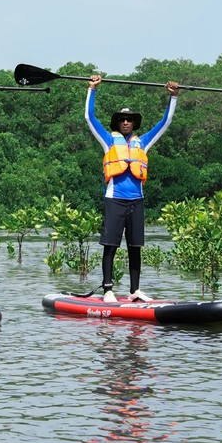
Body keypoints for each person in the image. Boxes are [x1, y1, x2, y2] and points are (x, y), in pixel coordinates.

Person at [86, 74, 179, 303]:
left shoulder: (144, 142)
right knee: (110, 245)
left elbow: (165, 123)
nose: (126, 122)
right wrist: (92, 90)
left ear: (134, 123)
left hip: (137, 201)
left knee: (135, 246)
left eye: (129, 120)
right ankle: (108, 289)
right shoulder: (108, 140)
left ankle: (134, 291)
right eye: (122, 120)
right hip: (114, 199)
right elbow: (89, 117)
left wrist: (173, 97)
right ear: (117, 123)